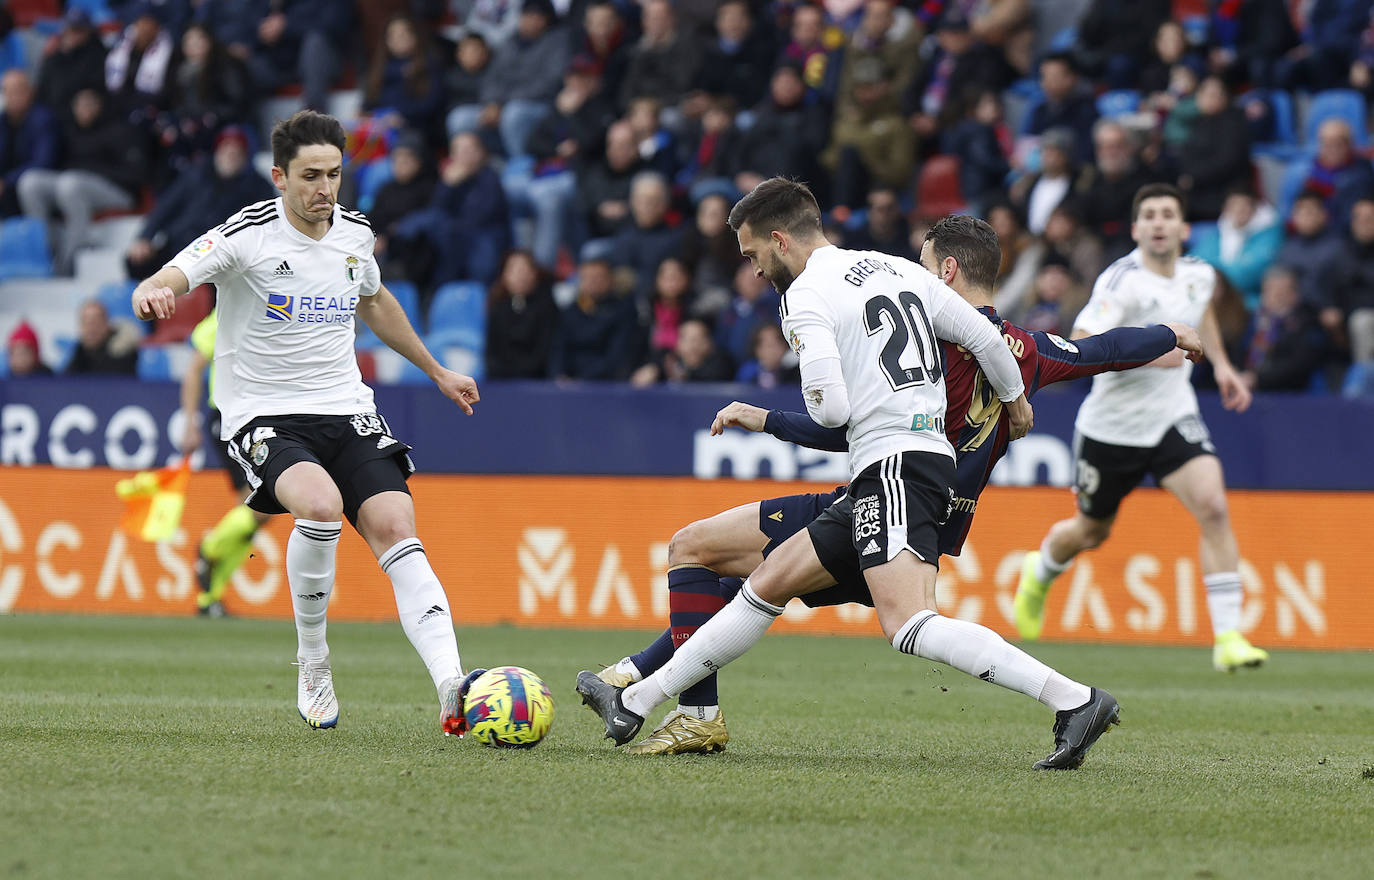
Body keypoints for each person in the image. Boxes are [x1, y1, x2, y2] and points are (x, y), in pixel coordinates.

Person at [586, 212, 1198, 757]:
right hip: (916, 501)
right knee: (738, 569)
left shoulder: (929, 337)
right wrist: (1169, 334)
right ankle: (640, 694)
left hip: (897, 483)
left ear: (947, 270)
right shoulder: (1026, 351)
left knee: (902, 624)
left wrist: (769, 419)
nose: (912, 273)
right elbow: (1104, 349)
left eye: (924, 264)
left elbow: (844, 425)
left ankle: (1073, 698)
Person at [129, 110, 484, 734]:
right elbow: (173, 273)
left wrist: (436, 371)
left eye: (335, 175)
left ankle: (451, 684)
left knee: (397, 523)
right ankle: (313, 659)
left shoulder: (355, 234)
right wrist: (153, 291)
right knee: (318, 505)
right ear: (279, 178)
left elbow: (374, 300)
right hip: (263, 413)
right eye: (311, 176)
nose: (325, 189)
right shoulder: (248, 233)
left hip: (346, 407)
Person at [1014, 183, 1269, 674]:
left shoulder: (1199, 274)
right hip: (1112, 429)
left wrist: (1222, 366)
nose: (1158, 222)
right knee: (1091, 532)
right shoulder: (1120, 282)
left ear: (1183, 227)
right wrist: (1154, 352)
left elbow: (1203, 314)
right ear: (1135, 229)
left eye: (1167, 214)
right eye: (1148, 214)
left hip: (1173, 418)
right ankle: (1040, 568)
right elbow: (1085, 342)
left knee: (1214, 508)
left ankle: (1229, 637)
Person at [179, 310, 273, 617]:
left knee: (249, 512)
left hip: (257, 415)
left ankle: (210, 598)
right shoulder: (219, 319)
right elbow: (194, 371)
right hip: (229, 418)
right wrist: (190, 424)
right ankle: (210, 548)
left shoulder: (266, 311)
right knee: (260, 505)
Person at [68, 300, 139, 376]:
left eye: (95, 322)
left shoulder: (123, 353)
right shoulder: (80, 352)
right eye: (86, 322)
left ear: (106, 324)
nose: (90, 328)